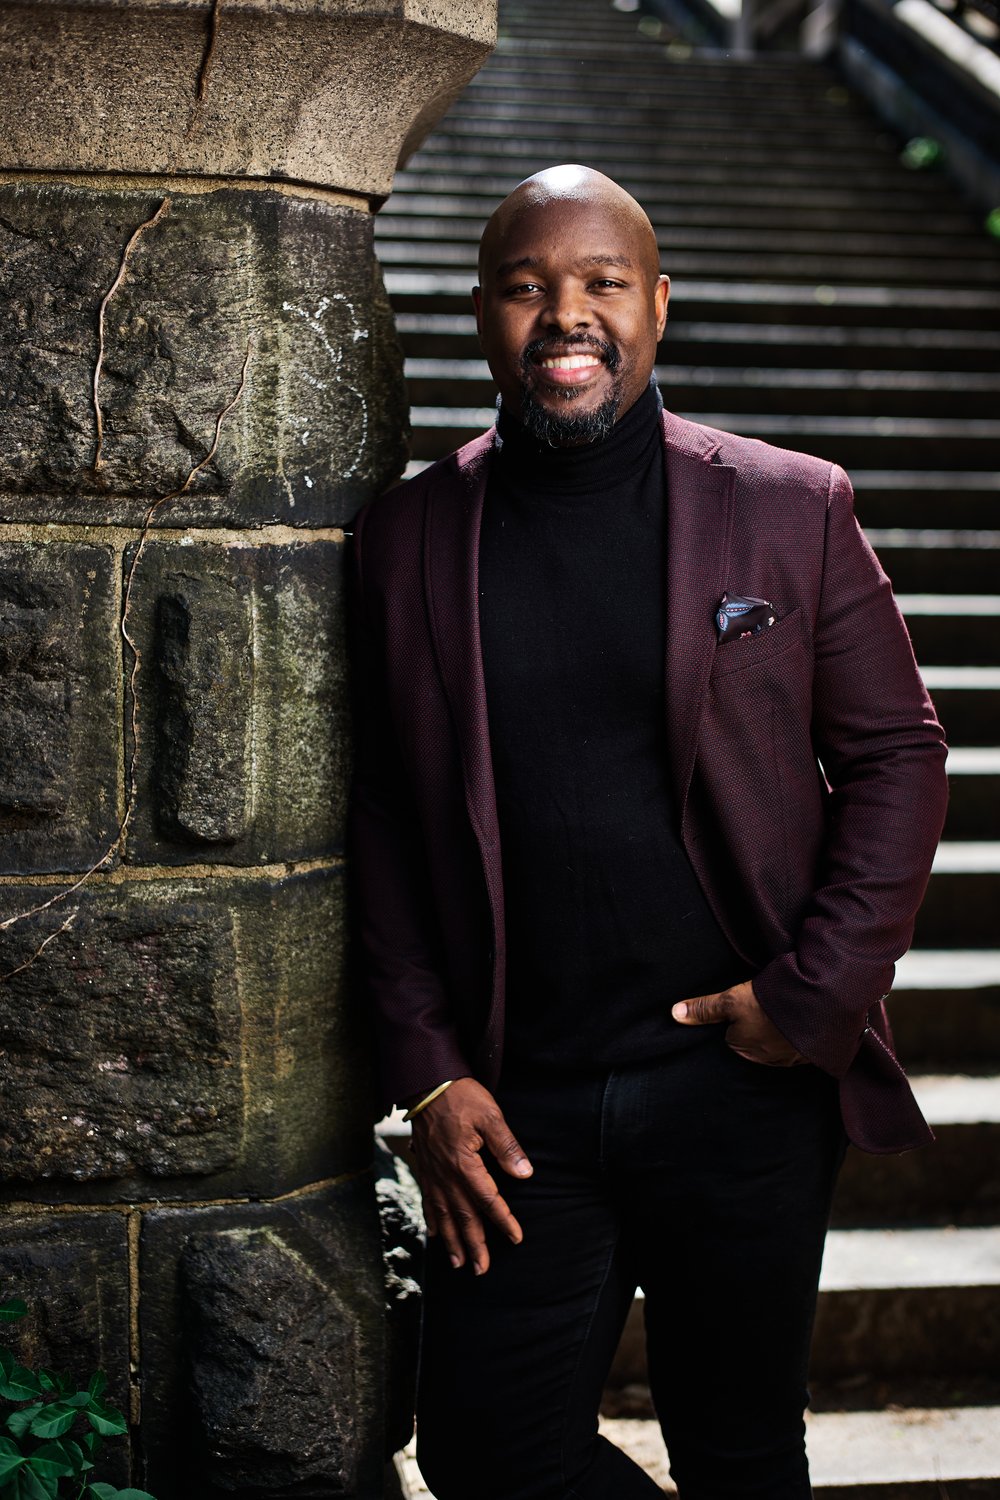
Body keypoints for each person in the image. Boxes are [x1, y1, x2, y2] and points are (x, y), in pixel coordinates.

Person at [349, 165, 948, 1500]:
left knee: (740, 1450)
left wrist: (812, 999)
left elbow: (897, 754)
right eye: (528, 287)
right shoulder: (409, 536)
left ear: (658, 305)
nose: (567, 315)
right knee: (489, 1454)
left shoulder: (789, 507)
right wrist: (430, 1072)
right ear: (483, 315)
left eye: (602, 283)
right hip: (520, 1110)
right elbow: (383, 816)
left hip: (740, 1093)